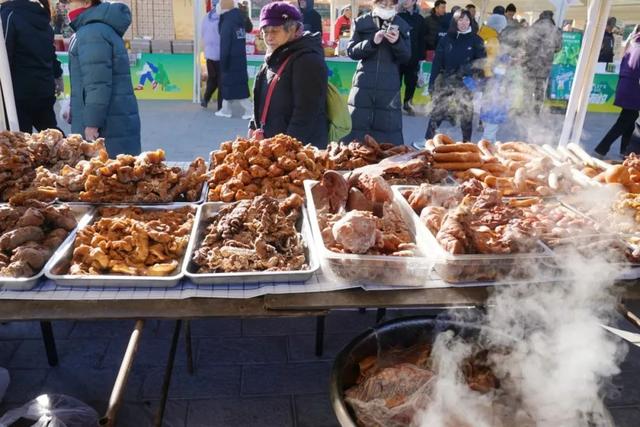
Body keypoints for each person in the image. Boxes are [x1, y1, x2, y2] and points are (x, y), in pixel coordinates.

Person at [250, 2, 328, 147]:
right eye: (265, 32)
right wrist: (253, 125)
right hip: (273, 147)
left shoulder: (307, 60)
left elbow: (306, 113)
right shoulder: (275, 55)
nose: (269, 37)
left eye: (275, 31)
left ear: (293, 29)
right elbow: (262, 98)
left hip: (298, 152)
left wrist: (285, 150)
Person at [68, 0, 140, 154]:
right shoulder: (97, 29)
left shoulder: (91, 33)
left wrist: (92, 123)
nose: (67, 6)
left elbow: (97, 83)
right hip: (115, 119)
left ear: (86, 2)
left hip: (106, 127)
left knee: (107, 173)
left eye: (70, 2)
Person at [346, 0, 411, 145]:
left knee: (387, 133)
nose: (387, 9)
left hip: (389, 87)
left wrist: (397, 43)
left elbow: (406, 56)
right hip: (363, 85)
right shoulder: (361, 22)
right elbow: (351, 51)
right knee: (358, 131)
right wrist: (372, 42)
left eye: (391, 5)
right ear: (374, 4)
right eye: (383, 5)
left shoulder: (402, 25)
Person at [1, 0, 64, 133]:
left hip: (18, 94)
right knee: (52, 140)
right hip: (44, 89)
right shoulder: (41, 15)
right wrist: (58, 75)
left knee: (19, 145)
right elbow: (50, 51)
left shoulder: (9, 14)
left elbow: (4, 55)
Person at [426, 8, 486, 142]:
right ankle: (427, 141)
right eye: (461, 19)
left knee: (466, 115)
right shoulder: (446, 39)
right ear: (455, 21)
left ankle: (467, 143)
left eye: (467, 20)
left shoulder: (476, 40)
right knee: (438, 112)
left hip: (465, 83)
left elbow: (482, 62)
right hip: (446, 81)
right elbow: (437, 62)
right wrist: (431, 83)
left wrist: (468, 72)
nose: (464, 22)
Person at [594, 27, 640, 158]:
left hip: (627, 85)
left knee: (630, 117)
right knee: (626, 119)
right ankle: (601, 149)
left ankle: (626, 151)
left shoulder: (633, 43)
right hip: (634, 88)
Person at [216, 0, 252, 119]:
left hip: (230, 61)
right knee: (233, 87)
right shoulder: (238, 20)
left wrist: (223, 64)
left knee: (237, 89)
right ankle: (225, 110)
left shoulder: (227, 23)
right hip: (239, 59)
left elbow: (225, 46)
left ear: (223, 8)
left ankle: (250, 111)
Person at [523, 10, 562, 115]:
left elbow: (525, 44)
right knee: (540, 88)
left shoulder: (533, 28)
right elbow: (558, 48)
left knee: (528, 86)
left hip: (530, 62)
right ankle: (536, 110)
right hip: (545, 64)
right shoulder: (556, 30)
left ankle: (525, 109)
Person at [398, 0, 425, 115]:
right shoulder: (397, 17)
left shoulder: (420, 19)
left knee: (411, 83)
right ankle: (393, 104)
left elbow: (422, 39)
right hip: (398, 57)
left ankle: (407, 104)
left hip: (413, 57)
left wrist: (421, 58)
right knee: (395, 83)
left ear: (414, 2)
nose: (405, 1)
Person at [200, 0, 222, 110]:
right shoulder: (223, 17)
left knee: (212, 79)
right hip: (221, 54)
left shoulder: (206, 17)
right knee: (222, 81)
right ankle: (221, 106)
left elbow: (202, 34)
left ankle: (206, 99)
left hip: (209, 54)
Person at [478, 12, 507, 77]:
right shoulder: (493, 39)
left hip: (478, 70)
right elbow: (493, 58)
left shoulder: (481, 32)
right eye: (502, 28)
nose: (502, 30)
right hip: (487, 73)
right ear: (498, 27)